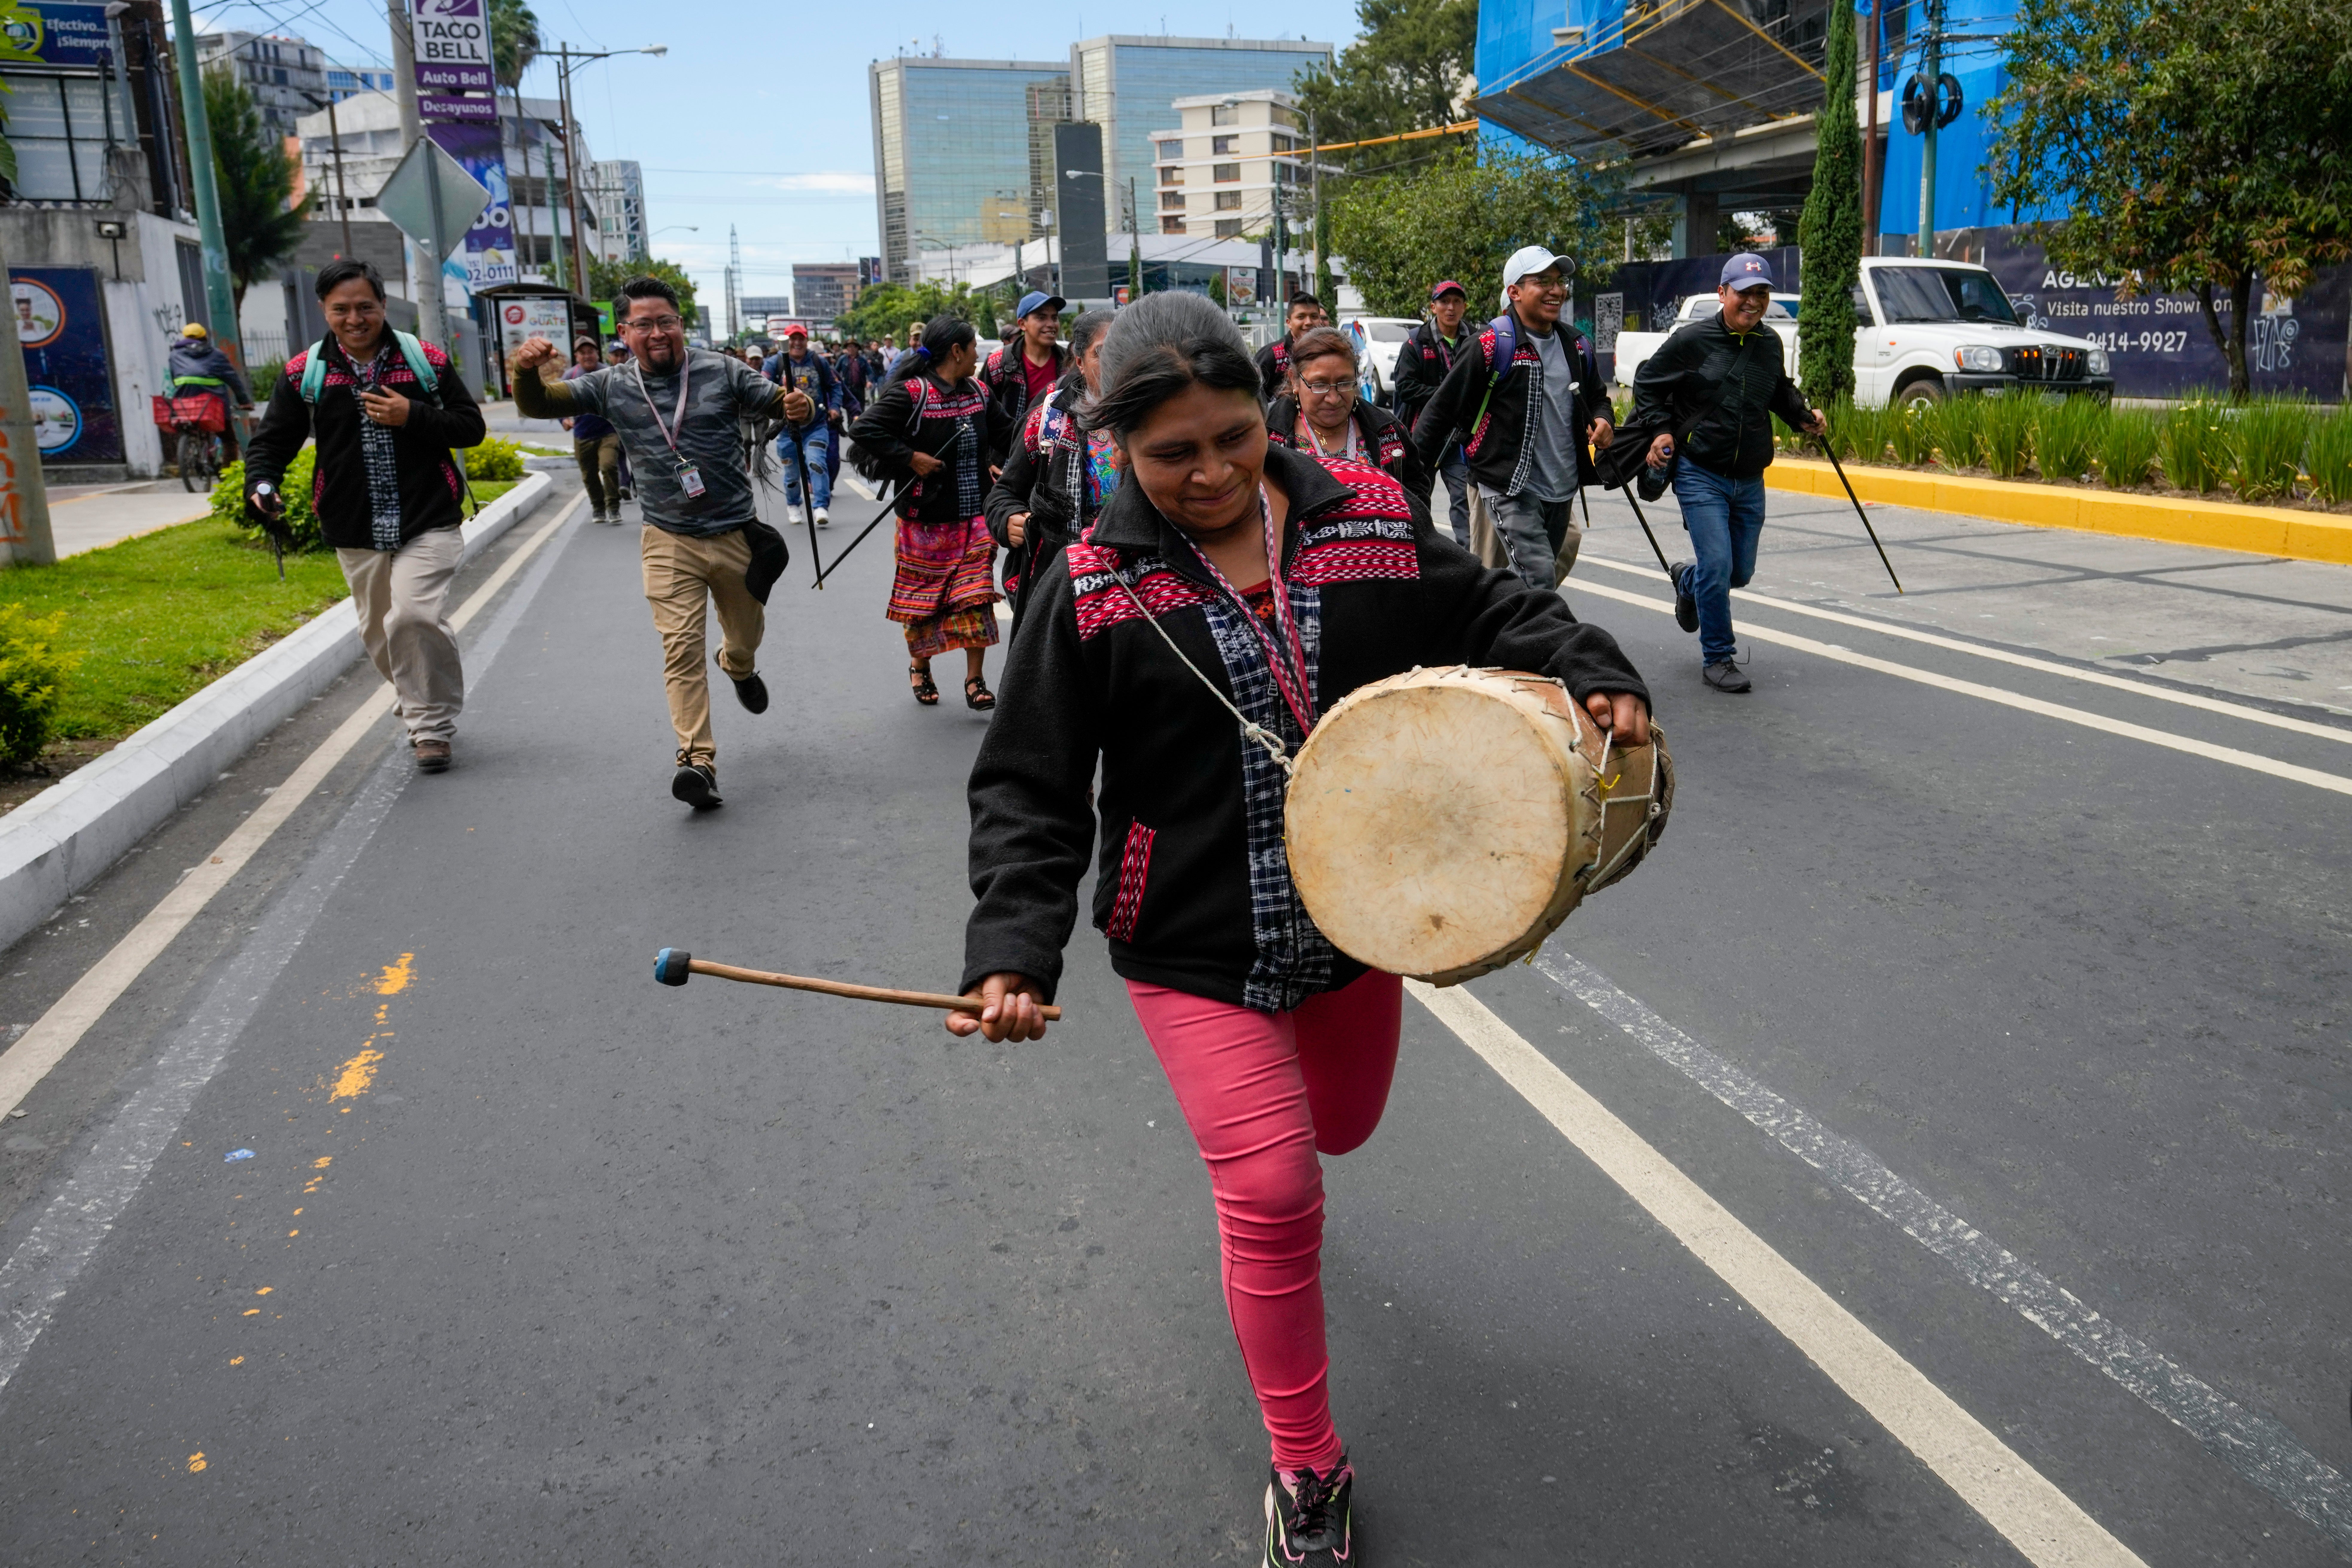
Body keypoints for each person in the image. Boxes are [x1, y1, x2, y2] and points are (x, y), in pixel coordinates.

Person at [949, 292, 1650, 1568]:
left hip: (1352, 927)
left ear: (1260, 407)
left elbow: (1494, 612)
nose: (1210, 471)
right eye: (1173, 455)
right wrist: (1010, 947)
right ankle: (1305, 1464)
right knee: (1273, 1187)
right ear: (1117, 451)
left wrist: (1593, 669)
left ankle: (1270, 1198)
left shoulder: (1365, 520)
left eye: (1230, 436)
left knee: (1342, 1127)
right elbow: (1028, 788)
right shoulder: (1091, 586)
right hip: (1186, 941)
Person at [510, 274, 814, 809]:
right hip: (667, 539)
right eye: (644, 324)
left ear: (680, 325)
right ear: (625, 332)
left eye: (666, 322)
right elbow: (539, 404)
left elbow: (781, 403)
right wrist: (524, 370)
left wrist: (799, 407)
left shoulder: (720, 369)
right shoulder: (609, 385)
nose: (658, 333)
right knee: (679, 648)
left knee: (743, 638)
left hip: (735, 533)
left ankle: (738, 666)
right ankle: (697, 760)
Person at [243, 258, 486, 774]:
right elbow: (271, 444)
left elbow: (469, 428)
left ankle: (430, 726)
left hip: (429, 519)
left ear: (382, 305)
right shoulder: (304, 373)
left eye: (365, 307)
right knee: (379, 632)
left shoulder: (424, 362)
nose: (355, 319)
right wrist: (261, 485)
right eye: (341, 310)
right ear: (323, 311)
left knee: (415, 616)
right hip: (355, 525)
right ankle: (420, 698)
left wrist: (412, 414)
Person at [1632, 252, 1825, 694]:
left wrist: (1803, 416)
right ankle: (1718, 656)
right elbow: (1649, 383)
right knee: (1718, 566)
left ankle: (1687, 579)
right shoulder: (1692, 341)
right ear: (1723, 293)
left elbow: (1778, 389)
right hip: (1700, 471)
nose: (1753, 302)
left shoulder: (1769, 344)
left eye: (1761, 294)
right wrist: (1661, 431)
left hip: (1750, 477)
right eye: (1744, 293)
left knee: (1738, 573)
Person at [1409, 245, 1613, 591]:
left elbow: (1598, 398)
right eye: (1542, 281)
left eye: (1558, 281)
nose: (1556, 290)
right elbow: (1438, 415)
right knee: (1538, 579)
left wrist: (1603, 419)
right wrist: (1411, 488)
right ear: (1514, 292)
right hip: (1508, 486)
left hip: (1561, 489)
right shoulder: (1490, 344)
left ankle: (1493, 637)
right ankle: (1533, 642)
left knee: (1529, 581)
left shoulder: (1577, 345)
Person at [847, 315, 1004, 712]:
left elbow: (1010, 433)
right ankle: (921, 666)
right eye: (972, 349)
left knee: (976, 596)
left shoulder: (981, 393)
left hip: (975, 517)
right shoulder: (912, 395)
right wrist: (910, 457)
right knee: (925, 602)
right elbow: (864, 430)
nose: (976, 356)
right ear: (956, 352)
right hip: (924, 521)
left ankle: (975, 680)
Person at [983, 309, 1116, 635]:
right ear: (1080, 361)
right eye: (1102, 353)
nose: (1117, 362)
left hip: (1137, 586)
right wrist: (1010, 519)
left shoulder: (1155, 419)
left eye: (1125, 349)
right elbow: (1004, 494)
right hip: (1061, 584)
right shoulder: (1051, 420)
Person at [1264, 325, 1431, 496]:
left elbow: (1417, 487)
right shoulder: (1267, 433)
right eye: (1320, 385)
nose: (1333, 398)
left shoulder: (1387, 429)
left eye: (1344, 383)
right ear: (1295, 381)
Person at [1388, 280, 1472, 546]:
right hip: (1420, 436)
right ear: (1433, 307)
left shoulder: (1475, 341)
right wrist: (1445, 396)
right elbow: (1405, 387)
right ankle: (1417, 552)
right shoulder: (1415, 343)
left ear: (1464, 307)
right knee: (1416, 498)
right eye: (1444, 302)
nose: (1451, 308)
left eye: (1457, 302)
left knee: (1464, 498)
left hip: (1457, 437)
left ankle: (1469, 560)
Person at [976, 289, 1066, 466]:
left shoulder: (1069, 364)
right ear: (1022, 324)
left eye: (1054, 318)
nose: (1051, 324)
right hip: (1010, 459)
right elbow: (980, 414)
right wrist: (988, 462)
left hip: (1058, 460)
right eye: (1041, 318)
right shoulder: (999, 364)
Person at [765, 327, 840, 525]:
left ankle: (821, 506)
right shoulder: (776, 362)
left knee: (817, 464)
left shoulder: (818, 361)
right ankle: (793, 505)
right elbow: (761, 386)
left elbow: (835, 385)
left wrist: (835, 407)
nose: (797, 343)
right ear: (786, 342)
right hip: (787, 429)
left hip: (816, 426)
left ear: (806, 341)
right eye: (792, 339)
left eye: (801, 339)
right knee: (791, 473)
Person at [167, 321, 253, 463]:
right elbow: (233, 379)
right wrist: (244, 402)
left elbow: (174, 378)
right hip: (214, 404)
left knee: (193, 425)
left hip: (186, 403)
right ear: (205, 338)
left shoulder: (175, 355)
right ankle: (228, 477)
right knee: (229, 440)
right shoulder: (216, 355)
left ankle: (197, 451)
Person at [561, 337, 624, 525]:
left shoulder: (609, 373)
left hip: (609, 432)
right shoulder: (570, 377)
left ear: (598, 354)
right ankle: (598, 507)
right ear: (577, 357)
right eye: (583, 353)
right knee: (589, 474)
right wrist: (563, 420)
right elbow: (558, 402)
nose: (588, 356)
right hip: (582, 434)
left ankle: (613, 507)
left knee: (608, 466)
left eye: (591, 352)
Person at [1253, 294, 1329, 400]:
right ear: (1289, 323)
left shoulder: (1327, 353)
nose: (1309, 323)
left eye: (1314, 317)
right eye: (1301, 317)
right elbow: (1251, 394)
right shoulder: (1273, 355)